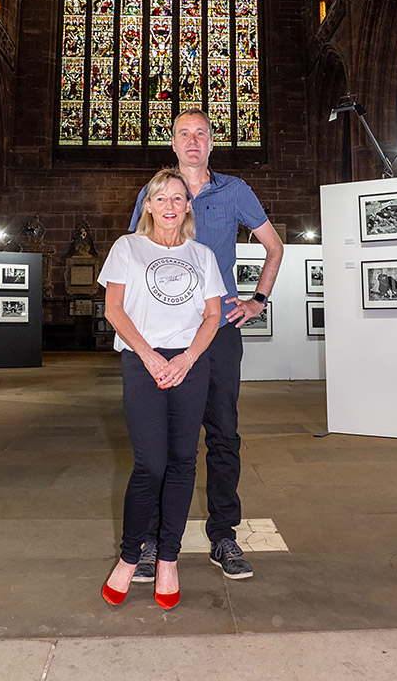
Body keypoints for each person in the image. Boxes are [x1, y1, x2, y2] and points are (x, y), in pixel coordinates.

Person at [129, 108, 284, 582]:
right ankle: (152, 541)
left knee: (222, 433)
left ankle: (223, 535)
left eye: (201, 133)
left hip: (217, 333)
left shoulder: (233, 191)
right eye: (184, 134)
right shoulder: (157, 193)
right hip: (165, 335)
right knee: (166, 443)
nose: (192, 141)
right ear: (172, 143)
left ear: (212, 142)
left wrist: (258, 299)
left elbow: (275, 247)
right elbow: (137, 252)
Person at [98, 167, 224, 609]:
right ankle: (130, 556)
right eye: (160, 198)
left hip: (190, 363)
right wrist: (150, 355)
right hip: (142, 361)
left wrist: (188, 358)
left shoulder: (202, 255)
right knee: (150, 464)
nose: (169, 206)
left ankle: (168, 558)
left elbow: (212, 316)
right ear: (147, 206)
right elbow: (114, 309)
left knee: (183, 462)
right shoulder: (127, 247)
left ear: (188, 206)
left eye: (177, 198)